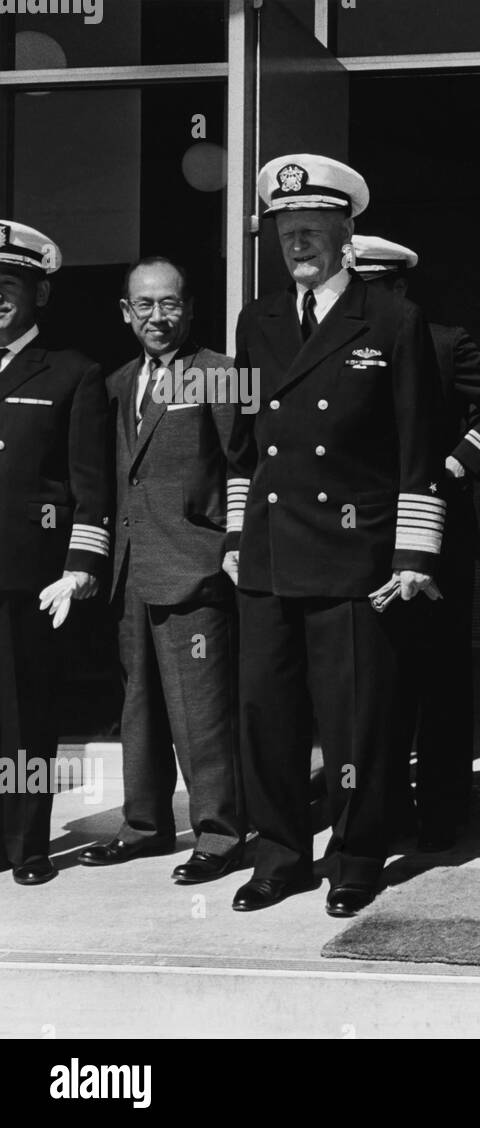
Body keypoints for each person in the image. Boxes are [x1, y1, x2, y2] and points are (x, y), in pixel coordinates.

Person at [223, 155, 446, 918]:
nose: (299, 244)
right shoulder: (259, 320)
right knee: (267, 716)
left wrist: (413, 554)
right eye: (288, 232)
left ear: (346, 232)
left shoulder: (390, 319)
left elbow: (419, 446)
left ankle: (356, 855)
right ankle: (279, 854)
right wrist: (233, 539)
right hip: (270, 552)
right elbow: (242, 445)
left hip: (355, 556)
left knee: (357, 723)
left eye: (313, 229)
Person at [77, 256, 244, 882]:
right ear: (126, 312)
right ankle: (144, 826)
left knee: (201, 713)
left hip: (194, 570)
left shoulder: (222, 375)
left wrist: (231, 542)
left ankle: (221, 835)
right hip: (129, 573)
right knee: (138, 710)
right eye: (144, 305)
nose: (157, 316)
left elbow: (242, 464)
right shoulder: (117, 382)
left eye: (169, 303)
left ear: (190, 308)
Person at [350, 233, 480, 848]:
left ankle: (445, 810)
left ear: (399, 289)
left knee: (441, 678)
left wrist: (455, 464)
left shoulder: (444, 343)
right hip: (359, 536)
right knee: (373, 682)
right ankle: (379, 813)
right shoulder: (334, 345)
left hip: (435, 534)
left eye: (374, 287)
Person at [0, 220, 110, 885]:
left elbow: (89, 484)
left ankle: (29, 842)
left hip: (30, 578)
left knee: (28, 722)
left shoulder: (73, 372)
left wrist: (80, 567)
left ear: (39, 294)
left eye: (8, 286)